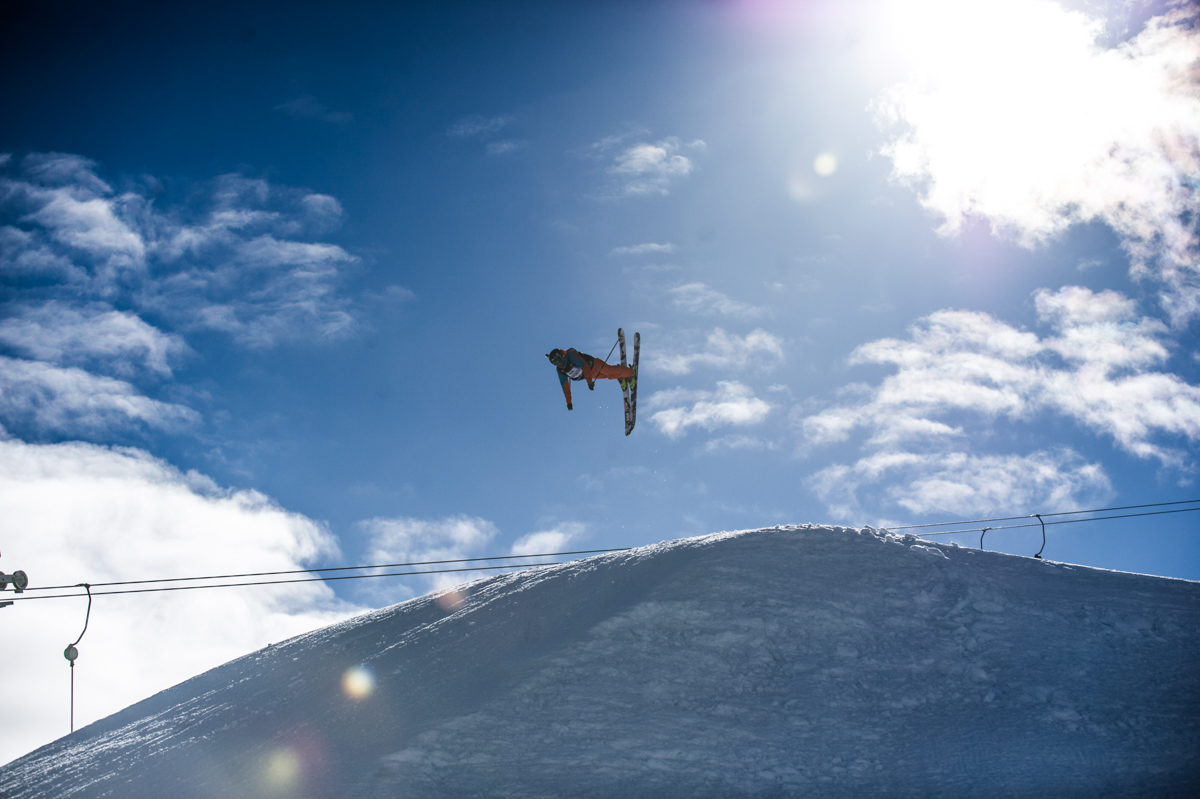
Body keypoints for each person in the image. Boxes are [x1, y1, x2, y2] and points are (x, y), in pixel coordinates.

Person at [546, 348, 634, 410]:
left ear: (560, 357)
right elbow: (565, 387)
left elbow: (585, 366)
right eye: (554, 363)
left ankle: (631, 372)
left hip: (595, 365)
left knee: (609, 371)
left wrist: (589, 382)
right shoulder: (560, 370)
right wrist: (569, 402)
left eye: (557, 361)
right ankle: (622, 375)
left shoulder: (571, 357)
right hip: (592, 374)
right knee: (609, 376)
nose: (557, 364)